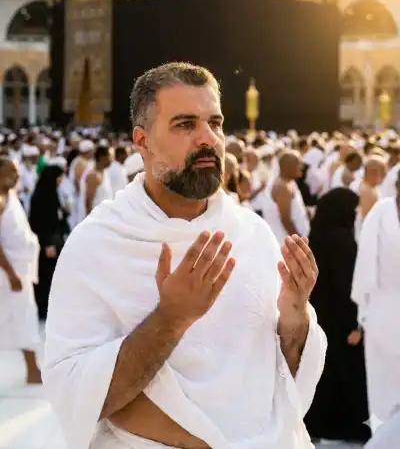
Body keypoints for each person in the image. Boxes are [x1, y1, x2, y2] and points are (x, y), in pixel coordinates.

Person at [43, 62, 326, 449]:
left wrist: (295, 319)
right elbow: (79, 396)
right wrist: (171, 319)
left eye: (215, 122)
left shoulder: (252, 234)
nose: (208, 138)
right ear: (142, 141)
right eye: (185, 124)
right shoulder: (97, 244)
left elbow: (280, 377)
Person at [304, 188, 370, 444]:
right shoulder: (342, 241)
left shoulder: (318, 236)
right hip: (341, 323)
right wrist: (356, 324)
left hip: (321, 317)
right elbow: (346, 288)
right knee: (345, 374)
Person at [351, 170, 400, 436]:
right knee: (383, 392)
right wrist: (363, 312)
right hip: (383, 314)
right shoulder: (381, 213)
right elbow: (365, 262)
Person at [0, 157, 42, 383]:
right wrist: (11, 273)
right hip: (9, 274)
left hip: (20, 271)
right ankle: (33, 370)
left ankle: (33, 370)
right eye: (12, 172)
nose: (17, 177)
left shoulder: (11, 195)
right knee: (24, 318)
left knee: (24, 318)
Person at [29, 165, 69, 320]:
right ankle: (43, 308)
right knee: (45, 276)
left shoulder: (51, 193)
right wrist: (47, 243)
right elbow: (41, 222)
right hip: (46, 242)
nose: (60, 180)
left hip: (52, 240)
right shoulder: (43, 196)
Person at [260, 150, 310, 246]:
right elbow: (286, 220)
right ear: (288, 167)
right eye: (298, 164)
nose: (301, 168)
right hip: (286, 245)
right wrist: (300, 244)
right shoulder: (282, 187)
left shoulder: (289, 183)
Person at [77, 145, 113, 222]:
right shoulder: (93, 175)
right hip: (95, 222)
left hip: (104, 219)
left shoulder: (105, 172)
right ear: (102, 157)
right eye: (110, 156)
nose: (112, 159)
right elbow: (88, 203)